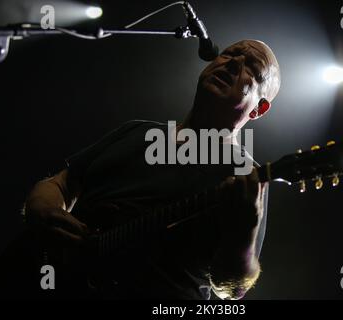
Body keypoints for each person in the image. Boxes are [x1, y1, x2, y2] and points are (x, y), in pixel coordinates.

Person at [20, 39, 281, 300]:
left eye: (252, 69)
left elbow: (232, 289)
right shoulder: (137, 131)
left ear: (260, 108)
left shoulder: (245, 176)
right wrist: (43, 207)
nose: (234, 62)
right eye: (230, 53)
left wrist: (245, 231)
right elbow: (61, 183)